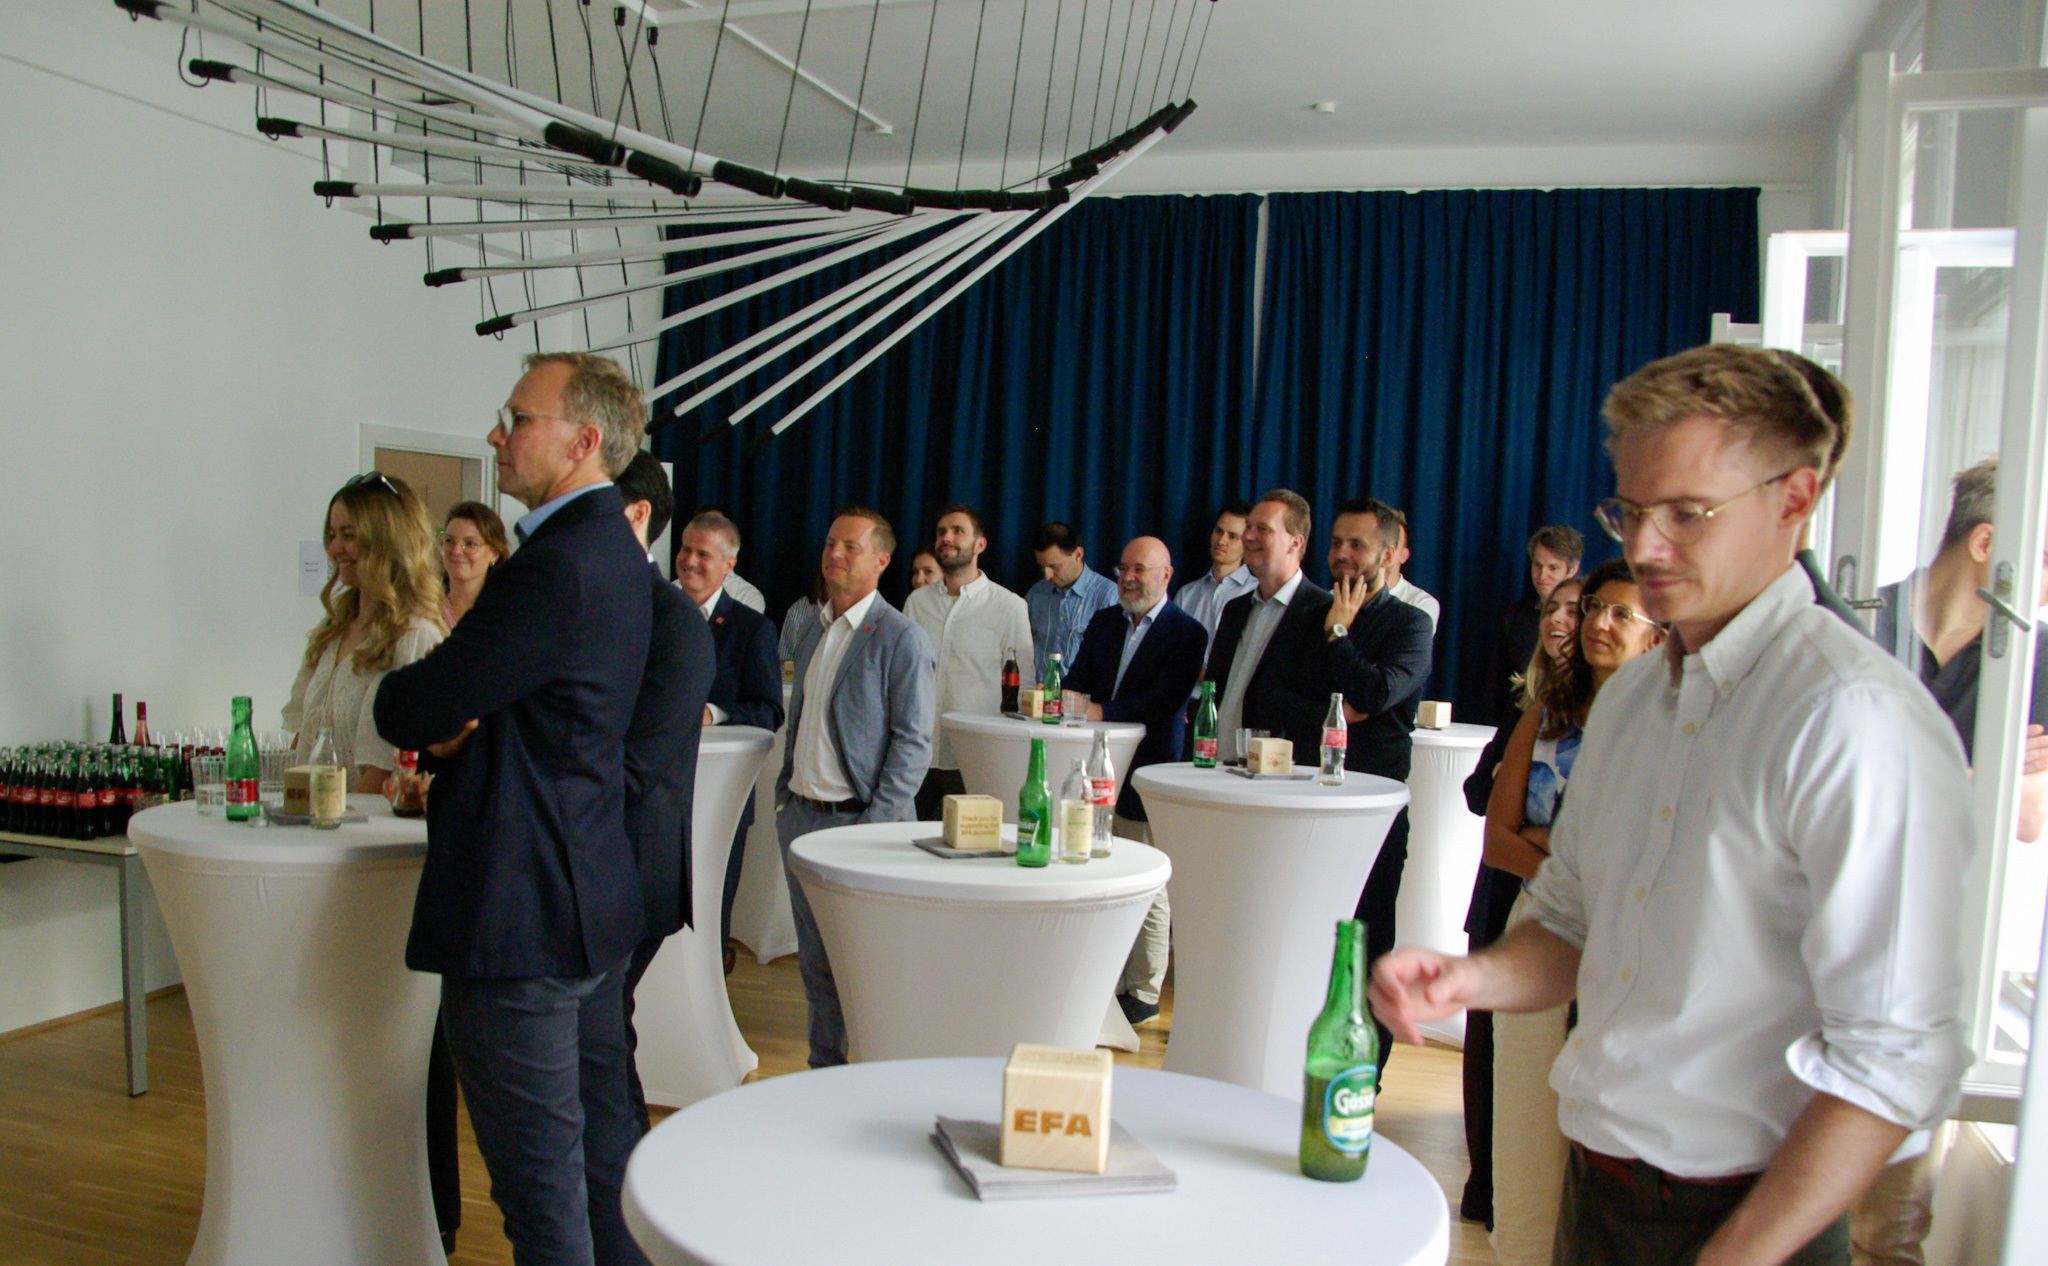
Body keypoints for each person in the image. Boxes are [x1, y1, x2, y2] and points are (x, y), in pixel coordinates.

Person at [1371, 343, 1976, 1266]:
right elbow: (1571, 920)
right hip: (1599, 1190)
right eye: (1630, 511)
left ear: (1794, 499)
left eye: (1688, 514)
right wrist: (1475, 980)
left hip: (1758, 1219)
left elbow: (1896, 1061)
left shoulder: (1855, 719)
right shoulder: (1633, 701)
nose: (1645, 549)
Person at [373, 351, 656, 1266]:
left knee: (542, 1197)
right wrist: (464, 722)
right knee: (599, 1167)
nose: (497, 434)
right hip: (588, 895)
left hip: (522, 915)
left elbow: (409, 704)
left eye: (517, 418)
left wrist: (449, 723)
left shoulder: (552, 567)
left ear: (582, 441)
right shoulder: (614, 549)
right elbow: (540, 716)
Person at [1856, 454, 2048, 1266]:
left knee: (1889, 1228)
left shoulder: (2030, 656)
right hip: (1816, 954)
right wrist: (1978, 774)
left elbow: (2027, 819)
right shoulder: (1859, 622)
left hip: (1933, 975)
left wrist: (1921, 776)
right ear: (1988, 543)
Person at [1481, 562, 1661, 1263]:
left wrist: (1551, 841)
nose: (1597, 623)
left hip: (1631, 945)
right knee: (1526, 1129)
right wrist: (1572, 858)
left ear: (1657, 637)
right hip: (1540, 927)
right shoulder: (1546, 716)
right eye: (1592, 608)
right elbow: (1498, 841)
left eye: (1621, 614)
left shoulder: (1669, 731)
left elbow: (1648, 853)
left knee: (1612, 1149)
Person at [776, 507, 936, 1068]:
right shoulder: (813, 628)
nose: (834, 554)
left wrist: (873, 829)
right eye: (830, 544)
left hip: (857, 826)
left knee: (863, 968)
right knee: (815, 963)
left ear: (882, 561)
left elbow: (914, 745)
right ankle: (824, 1070)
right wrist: (784, 798)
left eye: (850, 546)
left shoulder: (901, 637)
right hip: (802, 819)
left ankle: (869, 1076)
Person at [1455, 571, 1583, 1246]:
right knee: (1491, 1058)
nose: (1561, 621)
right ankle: (1486, 1189)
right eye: (1554, 610)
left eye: (1575, 611)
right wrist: (1547, 846)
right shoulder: (1533, 705)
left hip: (1576, 926)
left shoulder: (1636, 722)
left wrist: (1540, 838)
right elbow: (1484, 800)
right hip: (1508, 902)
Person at [611, 452, 715, 1150]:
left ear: (637, 514)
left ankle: (622, 1175)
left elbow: (636, 769)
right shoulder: (586, 603)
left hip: (629, 863)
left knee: (598, 1028)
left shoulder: (673, 622)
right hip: (583, 860)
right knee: (594, 1031)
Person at [1062, 536, 1207, 1025]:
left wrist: (1101, 712)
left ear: (1166, 575)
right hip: (1095, 765)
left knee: (1148, 881)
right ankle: (1107, 979)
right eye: (1123, 568)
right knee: (1098, 870)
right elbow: (1076, 681)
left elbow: (1164, 700)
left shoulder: (1188, 633)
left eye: (1140, 569)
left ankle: (1144, 992)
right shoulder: (1105, 621)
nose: (1127, 577)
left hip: (1149, 769)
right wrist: (1068, 700)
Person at [1318, 498, 1434, 1066]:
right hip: (1313, 803)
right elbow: (1292, 700)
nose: (1342, 554)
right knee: (1313, 942)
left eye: (1357, 545)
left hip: (1376, 813)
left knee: (1365, 948)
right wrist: (1341, 707)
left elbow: (1374, 694)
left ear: (1388, 555)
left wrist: (1339, 639)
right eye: (1337, 542)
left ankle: (1365, 1073)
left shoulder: (1411, 623)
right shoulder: (1313, 610)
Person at [285, 471, 445, 794]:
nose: (334, 548)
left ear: (387, 541)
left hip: (364, 821)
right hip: (316, 817)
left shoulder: (414, 636)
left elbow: (386, 770)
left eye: (349, 535)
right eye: (332, 535)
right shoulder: (332, 630)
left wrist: (328, 816)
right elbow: (302, 739)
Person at [674, 510, 785, 966]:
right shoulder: (649, 613)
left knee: (709, 917)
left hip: (719, 797)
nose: (690, 561)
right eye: (685, 549)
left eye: (703, 554)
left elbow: (769, 710)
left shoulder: (751, 628)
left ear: (729, 565)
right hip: (651, 792)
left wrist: (713, 713)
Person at [905, 504, 1035, 820]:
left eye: (957, 531)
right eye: (941, 532)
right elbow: (902, 675)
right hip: (917, 752)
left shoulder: (1009, 606)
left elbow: (1023, 687)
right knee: (905, 841)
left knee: (970, 844)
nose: (946, 538)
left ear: (980, 544)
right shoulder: (916, 603)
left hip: (976, 755)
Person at [1205, 490, 1334, 761]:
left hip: (1279, 770)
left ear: (1295, 543)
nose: (1248, 536)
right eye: (1248, 527)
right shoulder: (1235, 609)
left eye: (1262, 529)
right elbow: (1215, 690)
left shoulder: (1322, 612)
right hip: (1218, 765)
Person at [1486, 525, 1584, 725]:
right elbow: (1497, 687)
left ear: (1572, 570)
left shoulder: (1587, 619)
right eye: (1537, 565)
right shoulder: (1515, 616)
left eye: (1553, 568)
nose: (1542, 576)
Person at [1026, 521, 1119, 681]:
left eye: (1054, 566)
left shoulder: (1108, 596)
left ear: (1078, 554)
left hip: (1083, 694)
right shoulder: (1036, 594)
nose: (1047, 575)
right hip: (1036, 691)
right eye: (1042, 566)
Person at [1172, 500, 1257, 660]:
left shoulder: (1256, 594)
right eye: (1219, 531)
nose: (1221, 541)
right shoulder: (1187, 594)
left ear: (1247, 544)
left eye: (1232, 536)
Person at [440, 500, 511, 628]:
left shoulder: (506, 613)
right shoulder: (426, 612)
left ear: (494, 553)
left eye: (470, 544)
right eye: (449, 541)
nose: (456, 551)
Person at [1380, 508, 1441, 631]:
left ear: (1404, 556)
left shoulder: (1421, 603)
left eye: (1392, 544)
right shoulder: (1338, 595)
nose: (1384, 553)